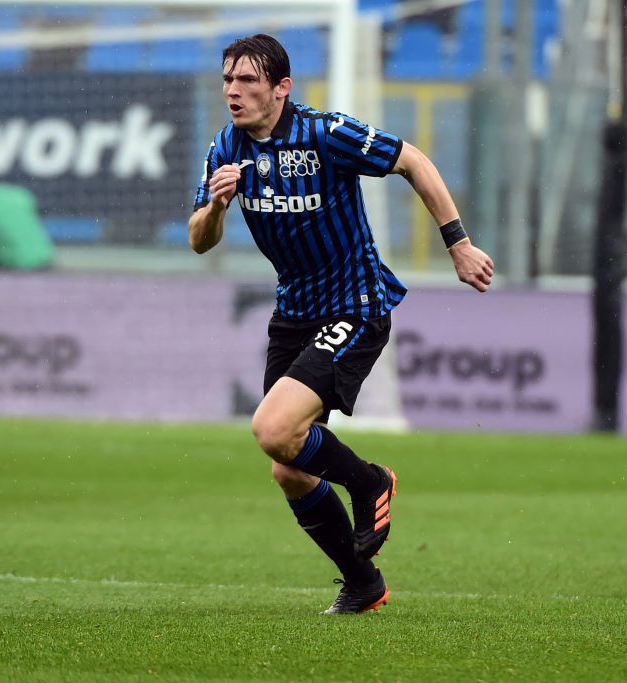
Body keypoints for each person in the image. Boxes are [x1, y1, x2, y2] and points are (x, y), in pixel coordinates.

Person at [189, 34, 494, 614]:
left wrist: (457, 243)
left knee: (273, 429)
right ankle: (363, 583)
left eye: (248, 80)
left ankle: (370, 481)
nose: (233, 91)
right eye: (228, 79)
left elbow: (413, 161)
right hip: (294, 313)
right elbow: (200, 241)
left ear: (281, 88)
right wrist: (217, 206)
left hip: (355, 304)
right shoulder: (225, 147)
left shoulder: (326, 133)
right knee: (288, 469)